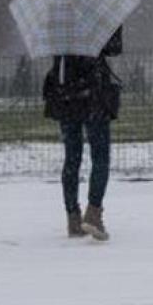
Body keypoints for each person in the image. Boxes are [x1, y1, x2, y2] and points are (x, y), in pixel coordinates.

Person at [43, 26, 123, 241]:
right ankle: (94, 212)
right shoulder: (102, 13)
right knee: (100, 155)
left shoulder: (57, 12)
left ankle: (72, 216)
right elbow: (114, 48)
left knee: (72, 156)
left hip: (64, 91)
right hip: (94, 91)